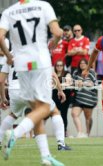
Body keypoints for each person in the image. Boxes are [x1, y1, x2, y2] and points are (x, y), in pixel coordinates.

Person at [0, 0, 64, 165]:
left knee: (36, 110)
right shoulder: (43, 6)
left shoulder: (9, 11)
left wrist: (7, 55)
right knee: (45, 108)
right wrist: (52, 45)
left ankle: (45, 156)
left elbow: (0, 36)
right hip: (40, 62)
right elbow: (57, 33)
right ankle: (14, 134)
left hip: (21, 64)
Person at [71, 59, 97, 138]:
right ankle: (80, 132)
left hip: (89, 98)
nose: (82, 64)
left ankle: (87, 134)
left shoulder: (91, 72)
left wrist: (82, 83)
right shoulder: (76, 72)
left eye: (84, 63)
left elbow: (92, 83)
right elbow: (72, 82)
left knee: (88, 118)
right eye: (81, 63)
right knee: (74, 113)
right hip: (79, 98)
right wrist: (76, 83)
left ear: (87, 64)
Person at [53, 60, 72, 137]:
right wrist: (60, 85)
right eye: (57, 65)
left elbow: (68, 82)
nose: (59, 67)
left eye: (61, 65)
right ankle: (58, 132)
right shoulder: (53, 74)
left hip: (65, 95)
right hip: (54, 96)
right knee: (54, 114)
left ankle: (64, 132)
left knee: (64, 115)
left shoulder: (66, 73)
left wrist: (57, 85)